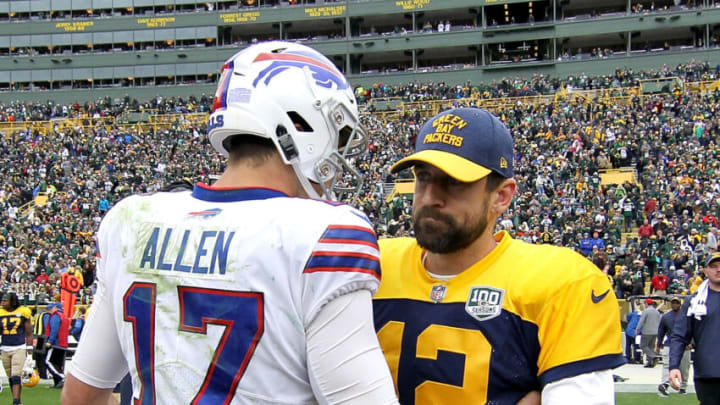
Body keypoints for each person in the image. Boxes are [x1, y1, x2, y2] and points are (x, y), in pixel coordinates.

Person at [62, 41, 399, 405]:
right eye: (338, 136)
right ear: (301, 123)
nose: (336, 155)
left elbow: (81, 397)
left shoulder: (131, 220)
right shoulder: (323, 234)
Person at [373, 107, 625, 405]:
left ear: (502, 196)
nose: (429, 197)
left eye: (453, 182)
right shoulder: (373, 265)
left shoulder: (563, 282)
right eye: (423, 177)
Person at [670, 252, 720, 404]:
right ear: (705, 271)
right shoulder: (695, 302)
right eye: (713, 266)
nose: (718, 270)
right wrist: (673, 366)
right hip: (708, 374)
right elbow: (679, 336)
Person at [0, 292, 33, 405]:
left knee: (16, 375)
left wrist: (29, 353)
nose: (2, 303)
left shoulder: (23, 312)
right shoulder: (0, 312)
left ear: (12, 302)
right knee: (11, 378)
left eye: (5, 301)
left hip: (19, 347)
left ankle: (16, 401)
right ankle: (17, 401)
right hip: (4, 348)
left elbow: (29, 333)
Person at [656, 296, 690, 396]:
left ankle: (683, 386)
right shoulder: (666, 317)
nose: (675, 305)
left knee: (684, 367)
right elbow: (661, 331)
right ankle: (665, 384)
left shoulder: (686, 316)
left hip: (684, 344)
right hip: (669, 343)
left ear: (680, 304)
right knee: (667, 365)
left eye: (677, 303)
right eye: (673, 303)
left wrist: (691, 343)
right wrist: (658, 344)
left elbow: (691, 330)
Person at [45, 302, 70, 389]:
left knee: (48, 361)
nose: (48, 310)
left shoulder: (55, 316)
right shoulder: (64, 316)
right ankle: (58, 383)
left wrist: (50, 341)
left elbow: (54, 329)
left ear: (55, 308)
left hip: (56, 343)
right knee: (58, 364)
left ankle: (63, 378)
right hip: (63, 343)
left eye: (50, 308)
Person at [636, 298, 661, 368]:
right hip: (655, 332)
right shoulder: (657, 312)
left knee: (643, 345)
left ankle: (653, 357)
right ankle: (650, 363)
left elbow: (641, 321)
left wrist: (637, 329)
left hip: (647, 331)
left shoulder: (646, 311)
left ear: (647, 304)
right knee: (651, 347)